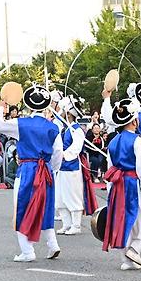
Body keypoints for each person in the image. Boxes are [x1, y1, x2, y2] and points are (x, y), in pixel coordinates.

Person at [0, 85, 64, 263]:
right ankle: (52, 244)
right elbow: (58, 153)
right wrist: (52, 168)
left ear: (29, 104)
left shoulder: (21, 124)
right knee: (46, 206)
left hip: (28, 170)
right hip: (45, 170)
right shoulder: (53, 127)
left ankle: (27, 250)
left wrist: (1, 106)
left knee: (22, 207)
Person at [98, 95, 141, 271]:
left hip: (118, 184)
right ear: (134, 121)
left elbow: (110, 168)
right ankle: (135, 249)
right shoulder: (137, 141)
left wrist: (111, 188)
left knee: (123, 220)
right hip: (133, 183)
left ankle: (126, 260)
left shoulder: (112, 142)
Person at [53, 96, 93, 236]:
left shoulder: (77, 130)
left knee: (73, 195)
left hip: (72, 167)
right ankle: (67, 224)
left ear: (68, 113)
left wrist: (63, 155)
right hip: (62, 167)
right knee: (60, 197)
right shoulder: (65, 128)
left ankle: (76, 225)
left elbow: (76, 148)